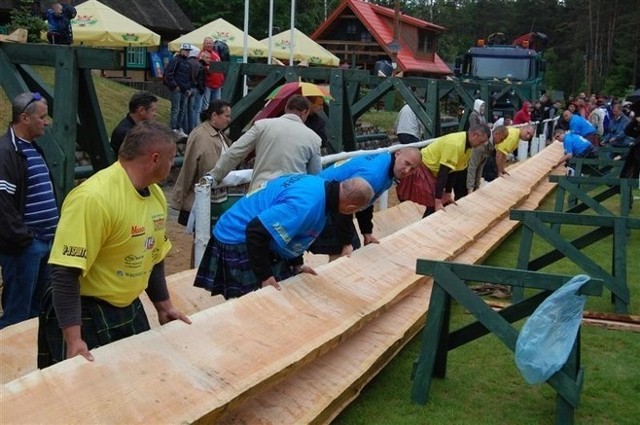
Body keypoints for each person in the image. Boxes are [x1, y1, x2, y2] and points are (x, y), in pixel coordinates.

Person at [37, 121, 191, 368]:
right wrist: (74, 340)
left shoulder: (155, 195)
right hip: (84, 309)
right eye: (171, 158)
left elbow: (154, 255)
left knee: (132, 375)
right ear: (154, 158)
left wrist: (164, 307)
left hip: (127, 304)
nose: (173, 165)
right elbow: (64, 273)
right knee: (84, 391)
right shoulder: (94, 198)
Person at [194, 174, 374, 299]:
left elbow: (293, 233)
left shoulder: (320, 185)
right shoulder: (306, 205)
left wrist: (297, 264)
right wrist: (265, 276)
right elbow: (255, 231)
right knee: (257, 299)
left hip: (249, 229)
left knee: (280, 286)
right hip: (237, 236)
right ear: (350, 209)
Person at [0, 92, 58, 329]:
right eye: (42, 117)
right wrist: (25, 238)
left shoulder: (32, 148)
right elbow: (2, 204)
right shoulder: (6, 152)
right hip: (25, 246)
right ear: (25, 118)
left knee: (38, 308)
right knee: (18, 311)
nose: (46, 122)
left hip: (44, 242)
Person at [309, 148, 422, 260]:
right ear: (397, 153)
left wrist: (366, 232)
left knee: (350, 246)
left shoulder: (385, 163)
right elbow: (345, 204)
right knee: (343, 252)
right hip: (320, 200)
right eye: (406, 163)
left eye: (412, 169)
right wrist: (345, 243)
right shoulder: (374, 175)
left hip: (327, 197)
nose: (407, 171)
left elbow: (364, 201)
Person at [206, 95, 322, 190]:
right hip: (290, 195)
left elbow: (235, 152)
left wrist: (215, 176)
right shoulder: (314, 139)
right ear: (305, 112)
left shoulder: (261, 125)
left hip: (260, 190)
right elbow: (315, 176)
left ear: (286, 108)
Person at [395, 124, 491, 217]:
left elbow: (454, 171)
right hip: (423, 167)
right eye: (481, 141)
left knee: (442, 200)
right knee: (432, 201)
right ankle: (425, 227)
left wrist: (448, 194)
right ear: (474, 135)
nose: (481, 145)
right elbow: (443, 173)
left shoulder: (469, 148)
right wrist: (437, 201)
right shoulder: (455, 144)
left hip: (434, 172)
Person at [172, 99, 232, 226]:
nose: (229, 120)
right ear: (214, 115)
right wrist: (180, 199)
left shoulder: (220, 134)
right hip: (201, 196)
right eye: (226, 116)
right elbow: (188, 169)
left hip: (217, 195)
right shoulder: (200, 135)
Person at [110, 91, 158, 156]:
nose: (155, 114)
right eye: (153, 110)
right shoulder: (127, 133)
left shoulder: (137, 128)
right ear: (141, 110)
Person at [164, 43, 193, 137]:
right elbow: (169, 73)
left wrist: (188, 89)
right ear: (181, 50)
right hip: (177, 88)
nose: (187, 52)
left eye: (188, 51)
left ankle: (179, 127)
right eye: (185, 50)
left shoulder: (188, 63)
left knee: (182, 109)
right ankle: (173, 128)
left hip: (184, 89)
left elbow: (188, 77)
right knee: (175, 109)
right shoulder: (176, 60)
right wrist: (174, 85)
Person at [199, 37, 225, 110]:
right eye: (207, 43)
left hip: (218, 84)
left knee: (217, 106)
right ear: (203, 44)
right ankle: (204, 120)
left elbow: (220, 67)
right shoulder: (202, 54)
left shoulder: (216, 53)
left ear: (213, 44)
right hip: (208, 84)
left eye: (210, 43)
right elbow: (200, 67)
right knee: (206, 106)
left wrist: (222, 78)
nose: (209, 45)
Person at [186, 46, 205, 134]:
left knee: (187, 109)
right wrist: (201, 89)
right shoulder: (199, 64)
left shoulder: (186, 63)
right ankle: (194, 127)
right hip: (196, 88)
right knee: (195, 109)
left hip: (187, 87)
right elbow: (200, 79)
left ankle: (187, 128)